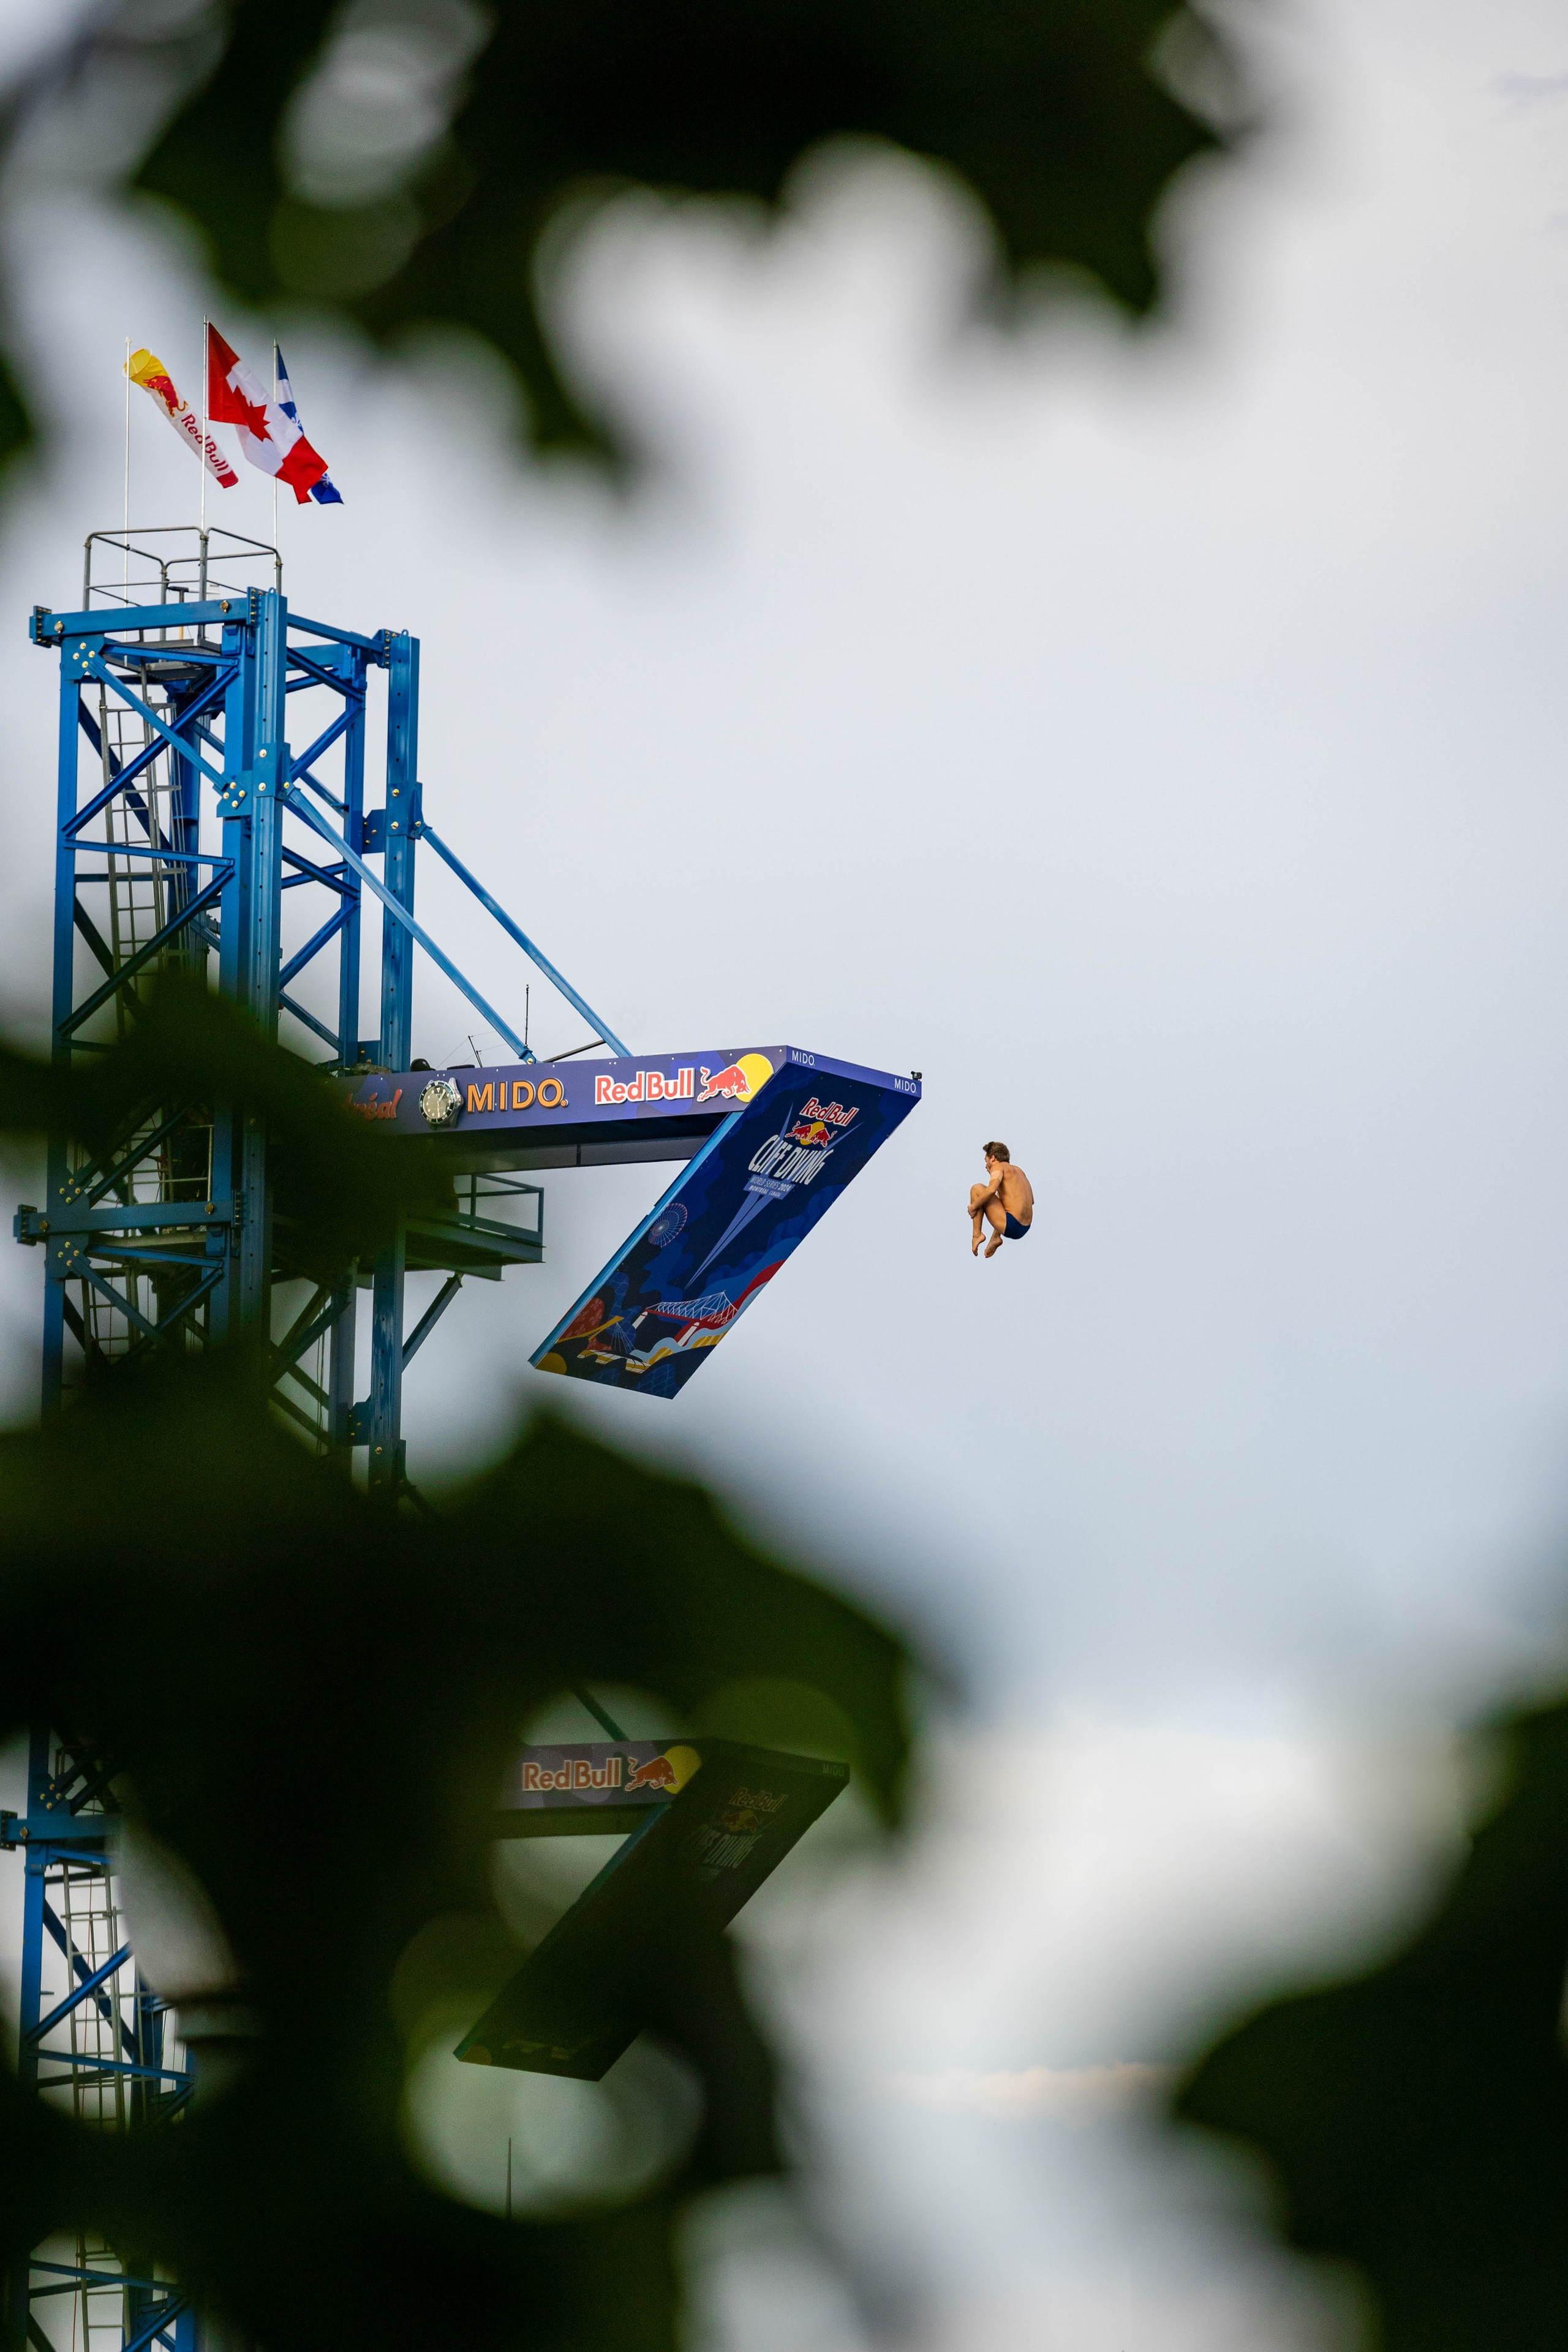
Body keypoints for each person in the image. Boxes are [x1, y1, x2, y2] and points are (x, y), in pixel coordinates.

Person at [969, 1141, 1033, 1259]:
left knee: (977, 1189)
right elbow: (1031, 1201)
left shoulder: (998, 1167)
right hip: (1026, 1226)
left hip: (1012, 1225)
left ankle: (977, 1235)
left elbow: (991, 1190)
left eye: (986, 1160)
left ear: (993, 1158)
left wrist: (973, 1207)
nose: (986, 1165)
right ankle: (996, 1237)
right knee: (1000, 1198)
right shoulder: (1019, 1171)